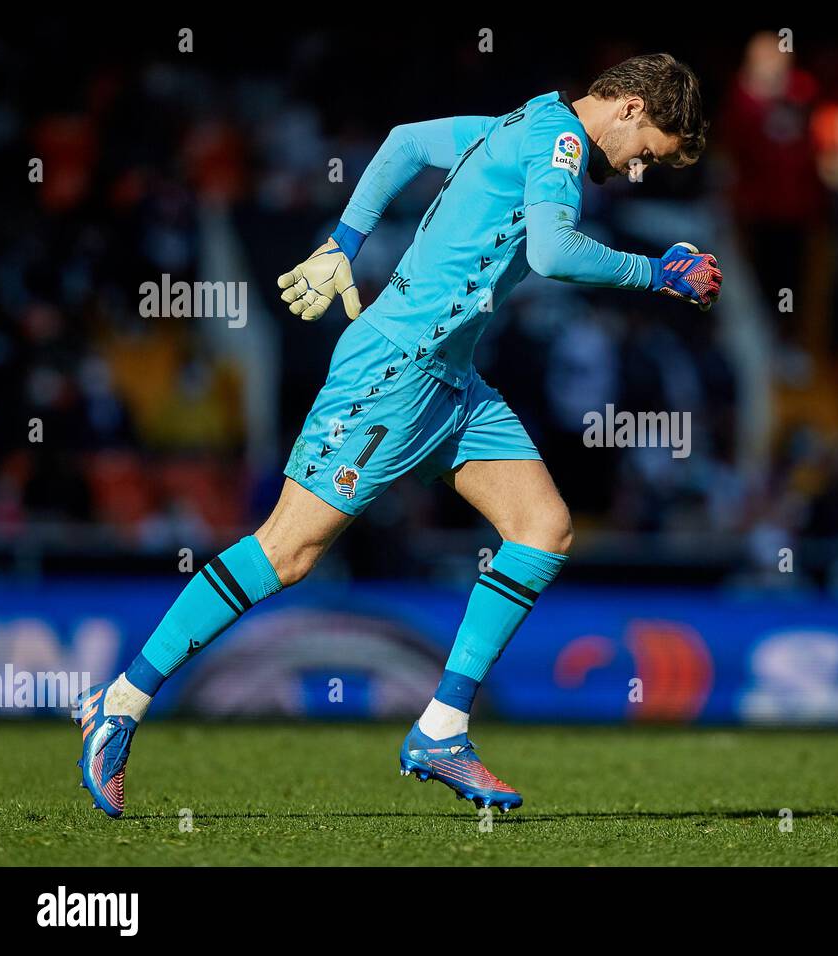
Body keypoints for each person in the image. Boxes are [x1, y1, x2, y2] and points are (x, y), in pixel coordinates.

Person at [77, 53, 721, 817]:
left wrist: (345, 242)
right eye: (649, 150)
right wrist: (660, 275)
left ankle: (442, 727)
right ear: (629, 107)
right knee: (287, 552)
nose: (641, 169)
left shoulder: (522, 121)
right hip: (395, 372)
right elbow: (551, 252)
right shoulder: (560, 145)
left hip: (450, 381)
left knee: (541, 528)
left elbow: (407, 142)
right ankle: (119, 703)